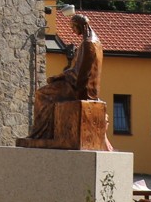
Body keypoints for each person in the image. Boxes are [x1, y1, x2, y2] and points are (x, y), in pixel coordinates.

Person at [28, 12, 104, 141]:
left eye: (73, 27)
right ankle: (46, 133)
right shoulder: (94, 41)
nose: (72, 30)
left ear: (81, 26)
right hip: (79, 84)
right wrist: (61, 76)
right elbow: (78, 70)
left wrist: (58, 77)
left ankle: (42, 135)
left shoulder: (88, 44)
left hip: (81, 89)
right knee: (49, 90)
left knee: (42, 94)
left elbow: (81, 74)